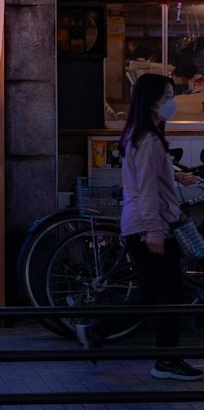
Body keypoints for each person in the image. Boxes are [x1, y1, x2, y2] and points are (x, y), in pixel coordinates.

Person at [77, 72, 203, 379]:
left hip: (140, 224)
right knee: (171, 295)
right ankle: (166, 362)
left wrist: (174, 176)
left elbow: (145, 175)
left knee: (150, 292)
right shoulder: (148, 140)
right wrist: (155, 231)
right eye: (168, 98)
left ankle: (95, 332)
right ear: (152, 102)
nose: (172, 104)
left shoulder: (139, 134)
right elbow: (147, 188)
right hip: (150, 225)